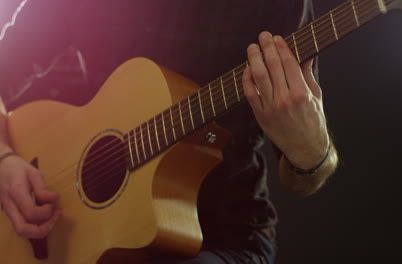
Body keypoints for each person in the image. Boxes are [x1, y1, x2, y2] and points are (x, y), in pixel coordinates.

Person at [0, 0, 338, 263]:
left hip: (220, 238)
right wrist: (5, 157)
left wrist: (311, 154)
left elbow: (304, 179)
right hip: (86, 234)